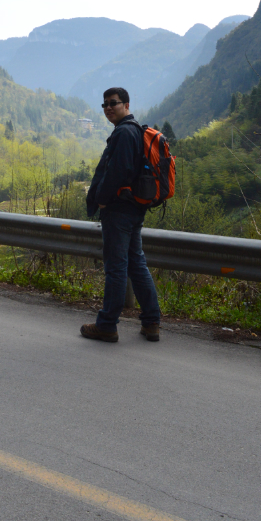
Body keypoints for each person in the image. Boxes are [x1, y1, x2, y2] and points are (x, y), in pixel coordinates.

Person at [80, 87, 161, 344]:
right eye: (104, 104)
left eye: (112, 103)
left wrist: (102, 200)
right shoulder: (133, 130)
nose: (107, 108)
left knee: (116, 269)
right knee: (136, 264)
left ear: (126, 104)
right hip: (133, 209)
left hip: (119, 211)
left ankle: (107, 325)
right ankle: (151, 322)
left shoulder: (125, 132)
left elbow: (118, 172)